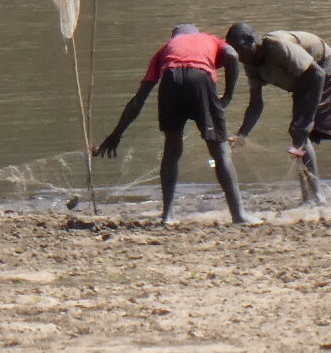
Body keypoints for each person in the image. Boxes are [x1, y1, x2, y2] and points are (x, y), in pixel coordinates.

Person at [93, 24, 246, 225]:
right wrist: (228, 95)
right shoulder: (211, 40)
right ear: (196, 33)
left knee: (172, 149)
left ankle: (168, 215)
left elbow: (138, 100)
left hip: (170, 81)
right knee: (220, 150)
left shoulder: (165, 49)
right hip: (200, 79)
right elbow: (233, 55)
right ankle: (239, 215)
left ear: (174, 37)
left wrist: (116, 134)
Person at [225, 21, 331, 198]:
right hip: (302, 82)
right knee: (298, 133)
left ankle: (315, 196)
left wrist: (307, 121)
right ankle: (311, 195)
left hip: (326, 74)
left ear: (252, 41)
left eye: (239, 50)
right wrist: (242, 134)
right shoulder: (251, 64)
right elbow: (256, 103)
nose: (237, 57)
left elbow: (317, 74)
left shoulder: (278, 46)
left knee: (299, 131)